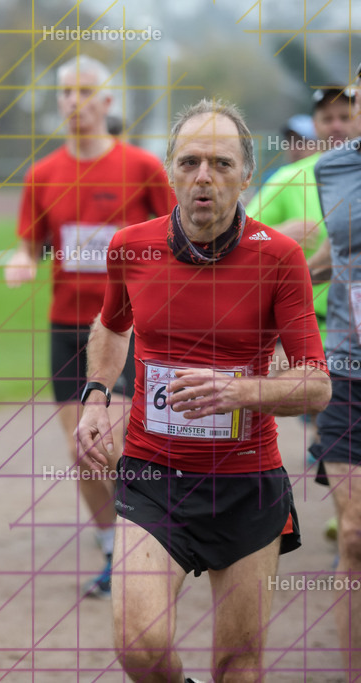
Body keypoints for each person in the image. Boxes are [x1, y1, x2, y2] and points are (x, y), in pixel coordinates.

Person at [77, 98, 331, 683]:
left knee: (237, 666)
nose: (203, 177)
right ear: (169, 170)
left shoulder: (279, 257)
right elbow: (112, 325)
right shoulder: (130, 247)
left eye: (221, 163)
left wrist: (239, 393)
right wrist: (96, 395)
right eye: (189, 162)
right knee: (139, 648)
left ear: (246, 175)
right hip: (154, 476)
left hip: (246, 484)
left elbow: (315, 384)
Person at [3, 55, 175, 597]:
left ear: (106, 101)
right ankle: (110, 547)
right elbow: (29, 244)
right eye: (66, 92)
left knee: (110, 439)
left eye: (84, 92)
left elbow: (176, 235)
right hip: (67, 327)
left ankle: (144, 540)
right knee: (82, 450)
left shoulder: (141, 167)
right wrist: (22, 261)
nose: (74, 101)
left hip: (127, 325)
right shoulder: (42, 174)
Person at [309, 61, 361, 678]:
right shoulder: (334, 169)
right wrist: (279, 284)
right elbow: (336, 252)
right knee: (353, 536)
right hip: (348, 369)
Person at [246, 86, 356, 345]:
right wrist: (277, 235)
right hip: (311, 333)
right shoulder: (289, 177)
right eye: (327, 119)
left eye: (345, 117)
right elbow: (239, 240)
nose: (336, 126)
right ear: (315, 126)